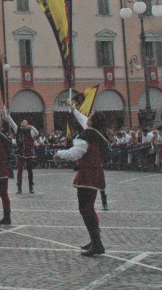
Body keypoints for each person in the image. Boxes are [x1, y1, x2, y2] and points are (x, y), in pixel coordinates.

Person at [56, 103, 110, 257]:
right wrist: (74, 110)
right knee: (89, 207)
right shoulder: (99, 133)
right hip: (96, 173)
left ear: (92, 122)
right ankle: (95, 240)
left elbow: (74, 154)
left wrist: (59, 153)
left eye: (91, 117)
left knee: (85, 208)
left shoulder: (88, 136)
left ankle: (97, 242)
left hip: (88, 174)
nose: (88, 118)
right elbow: (83, 119)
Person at [15, 119, 39, 194]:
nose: (23, 124)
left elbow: (37, 133)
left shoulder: (30, 131)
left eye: (25, 123)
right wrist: (8, 116)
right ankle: (19, 186)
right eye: (22, 122)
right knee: (19, 170)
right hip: (20, 152)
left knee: (30, 170)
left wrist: (31, 127)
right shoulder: (18, 130)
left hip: (28, 153)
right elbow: (12, 123)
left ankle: (30, 186)